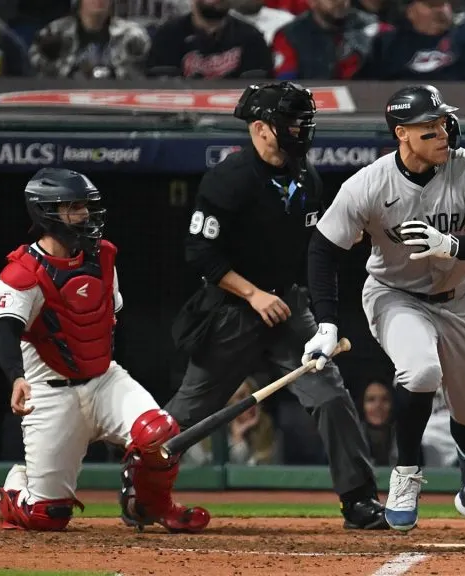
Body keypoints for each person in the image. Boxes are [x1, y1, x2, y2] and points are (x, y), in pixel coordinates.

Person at [301, 84, 465, 547]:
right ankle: (406, 472)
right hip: (395, 295)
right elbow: (323, 250)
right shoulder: (369, 184)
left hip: (460, 297)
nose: (442, 131)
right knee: (421, 370)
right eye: (428, 127)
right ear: (401, 134)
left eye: (442, 122)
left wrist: (454, 245)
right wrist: (326, 323)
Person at [163, 82, 386, 530]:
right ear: (262, 129)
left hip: (288, 307)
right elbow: (200, 253)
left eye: (304, 121)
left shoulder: (307, 176)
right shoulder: (229, 178)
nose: (301, 129)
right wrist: (253, 294)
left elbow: (315, 246)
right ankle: (142, 485)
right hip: (231, 310)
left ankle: (359, 500)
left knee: (330, 394)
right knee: (188, 411)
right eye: (292, 122)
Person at [0, 168, 210, 533]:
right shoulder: (22, 272)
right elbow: (4, 329)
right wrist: (16, 377)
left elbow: (110, 318)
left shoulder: (103, 257)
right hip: (50, 393)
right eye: (74, 208)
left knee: (159, 432)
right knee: (47, 517)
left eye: (86, 207)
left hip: (103, 380)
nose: (85, 216)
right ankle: (14, 493)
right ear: (46, 212)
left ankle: (153, 505)